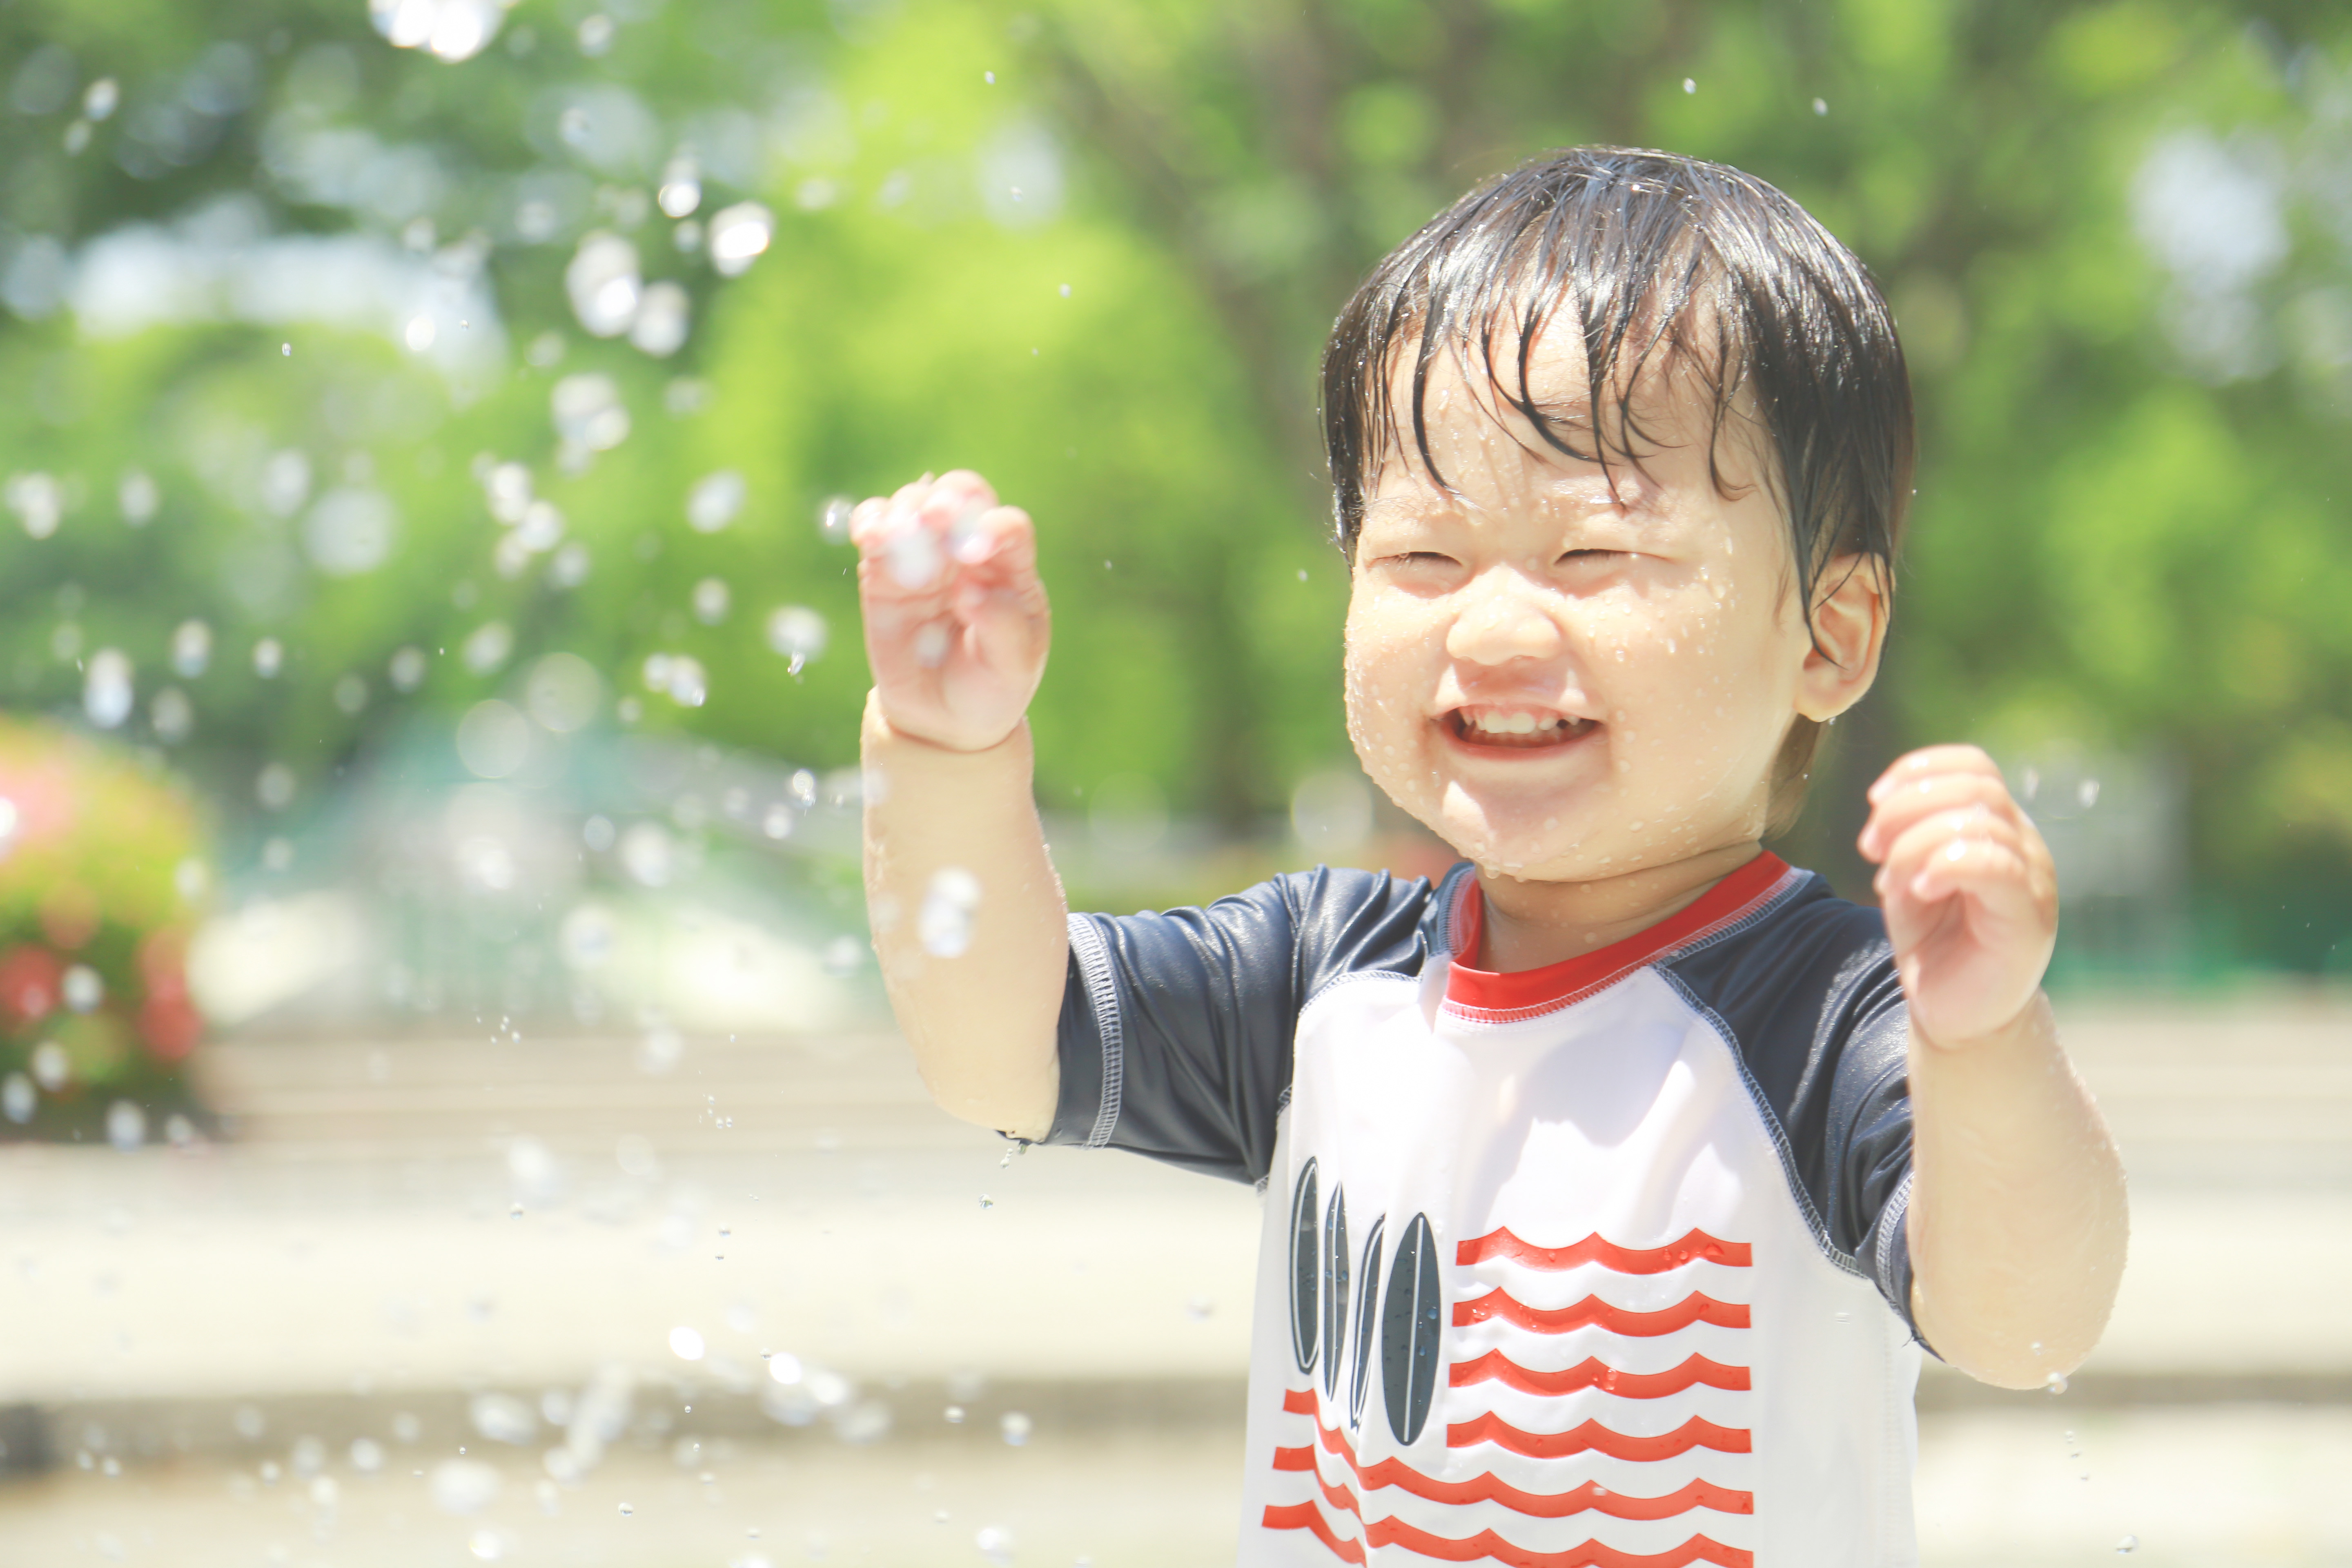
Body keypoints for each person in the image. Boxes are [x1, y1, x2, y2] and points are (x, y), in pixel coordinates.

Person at [850, 146, 2126, 1566]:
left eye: (1593, 559)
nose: (1496, 631)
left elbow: (2025, 1324)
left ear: (1829, 633)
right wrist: (947, 755)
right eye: (1423, 562)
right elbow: (995, 1045)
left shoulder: (1826, 1018)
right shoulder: (1325, 976)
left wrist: (1989, 1040)